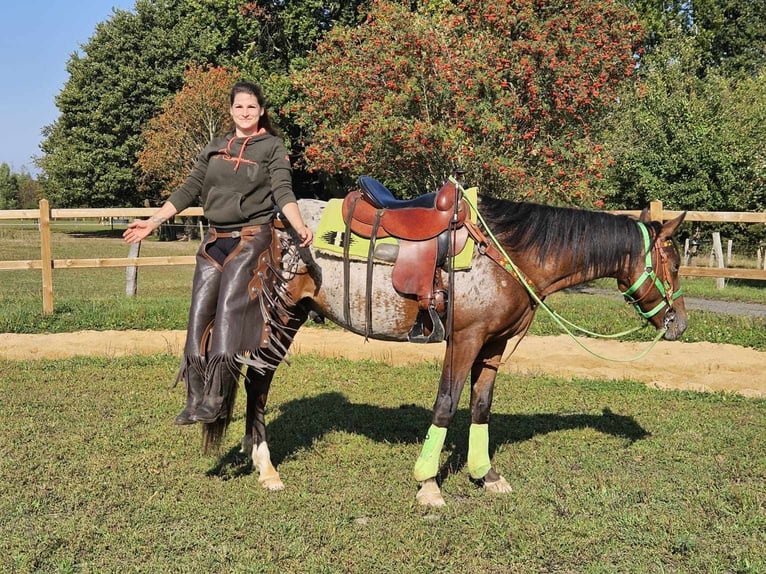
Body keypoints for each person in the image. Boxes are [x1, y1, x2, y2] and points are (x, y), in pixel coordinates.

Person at [124, 81, 312, 425]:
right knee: (198, 316)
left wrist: (298, 224)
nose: (245, 112)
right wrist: (152, 222)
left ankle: (217, 398)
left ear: (261, 112)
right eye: (239, 107)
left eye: (251, 107)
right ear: (231, 110)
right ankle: (195, 397)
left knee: (227, 314)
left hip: (252, 239)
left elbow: (282, 189)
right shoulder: (215, 147)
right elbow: (189, 189)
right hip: (214, 241)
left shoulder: (272, 146)